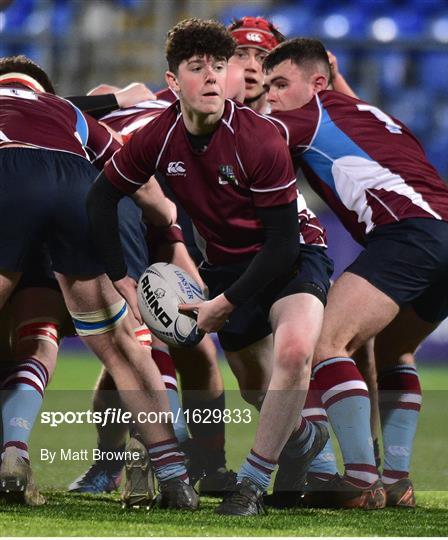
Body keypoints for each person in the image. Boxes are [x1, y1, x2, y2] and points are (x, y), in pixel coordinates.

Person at [86, 19, 335, 516]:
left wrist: (224, 303)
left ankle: (251, 485)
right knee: (255, 389)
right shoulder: (157, 137)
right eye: (198, 68)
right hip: (226, 264)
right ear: (173, 82)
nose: (213, 78)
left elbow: (283, 245)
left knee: (293, 355)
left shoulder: (262, 139)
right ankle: (305, 437)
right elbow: (100, 201)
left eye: (219, 67)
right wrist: (122, 278)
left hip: (292, 257)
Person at [262, 38, 448, 508]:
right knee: (393, 350)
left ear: (317, 84)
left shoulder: (308, 115)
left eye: (280, 84)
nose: (272, 96)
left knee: (327, 344)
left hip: (412, 233)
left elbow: (241, 141)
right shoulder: (374, 114)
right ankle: (397, 480)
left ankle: (361, 480)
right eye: (267, 87)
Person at [0, 55, 198, 510]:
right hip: (77, 184)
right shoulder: (66, 113)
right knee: (121, 344)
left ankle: (13, 452)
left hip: (6, 174)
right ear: (42, 90)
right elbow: (132, 172)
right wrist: (166, 217)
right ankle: (173, 475)